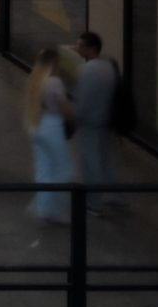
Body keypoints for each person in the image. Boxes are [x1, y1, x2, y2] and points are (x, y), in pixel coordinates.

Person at [73, 31, 123, 209]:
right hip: (106, 121)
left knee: (90, 162)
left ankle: (93, 202)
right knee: (106, 159)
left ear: (91, 48)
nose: (77, 48)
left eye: (80, 45)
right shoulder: (109, 67)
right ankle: (115, 196)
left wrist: (75, 118)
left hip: (89, 123)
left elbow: (83, 101)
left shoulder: (87, 70)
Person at [29, 46, 76, 224]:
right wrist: (73, 119)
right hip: (52, 125)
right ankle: (56, 209)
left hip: (36, 125)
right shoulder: (54, 82)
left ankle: (43, 208)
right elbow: (63, 107)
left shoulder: (35, 79)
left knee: (44, 168)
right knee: (63, 168)